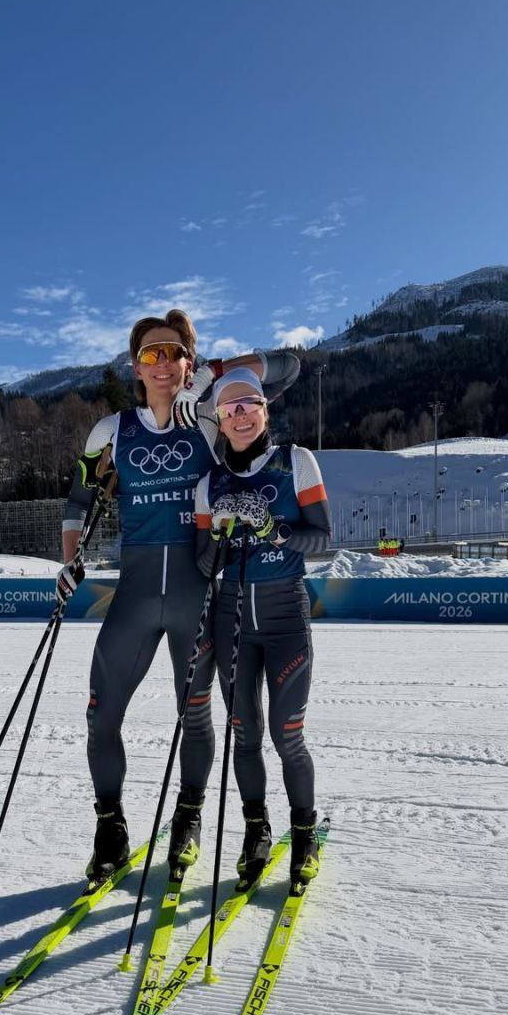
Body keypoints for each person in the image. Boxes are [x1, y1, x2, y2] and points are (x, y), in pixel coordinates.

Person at [60, 310, 300, 883]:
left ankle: (188, 817)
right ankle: (110, 826)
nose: (161, 363)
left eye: (172, 353)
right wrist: (68, 559)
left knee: (194, 717)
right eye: (150, 354)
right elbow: (77, 502)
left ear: (188, 362)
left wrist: (211, 379)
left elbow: (288, 367)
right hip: (135, 595)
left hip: (198, 596)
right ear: (135, 367)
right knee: (100, 717)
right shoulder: (110, 431)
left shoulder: (212, 417)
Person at [194, 368, 332, 890]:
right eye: (230, 409)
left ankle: (303, 834)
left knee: (287, 736)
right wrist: (222, 541)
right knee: (244, 735)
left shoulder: (295, 462)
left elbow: (324, 542)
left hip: (283, 618)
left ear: (265, 409)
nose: (241, 415)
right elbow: (204, 564)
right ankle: (256, 829)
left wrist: (276, 531)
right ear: (220, 422)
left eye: (249, 403)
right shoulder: (210, 484)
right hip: (232, 620)